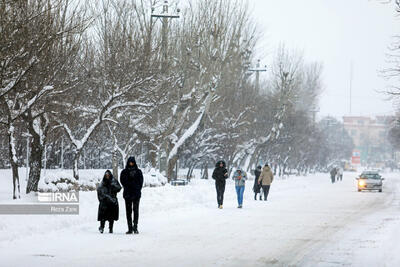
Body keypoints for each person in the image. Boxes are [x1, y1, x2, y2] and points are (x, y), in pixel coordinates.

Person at [120, 157, 144, 234]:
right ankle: (130, 228)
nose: (131, 163)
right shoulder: (124, 172)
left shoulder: (138, 171)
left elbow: (141, 182)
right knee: (128, 211)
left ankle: (135, 227)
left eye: (132, 162)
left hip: (136, 194)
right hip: (127, 194)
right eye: (130, 162)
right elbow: (122, 181)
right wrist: (129, 186)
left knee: (136, 210)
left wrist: (136, 188)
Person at [97, 170, 122, 234]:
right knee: (103, 215)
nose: (107, 176)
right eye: (106, 175)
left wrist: (114, 186)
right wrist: (102, 199)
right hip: (104, 201)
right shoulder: (102, 182)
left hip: (112, 200)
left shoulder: (114, 181)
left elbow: (119, 188)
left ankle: (111, 228)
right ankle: (102, 227)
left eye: (108, 175)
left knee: (111, 216)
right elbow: (99, 191)